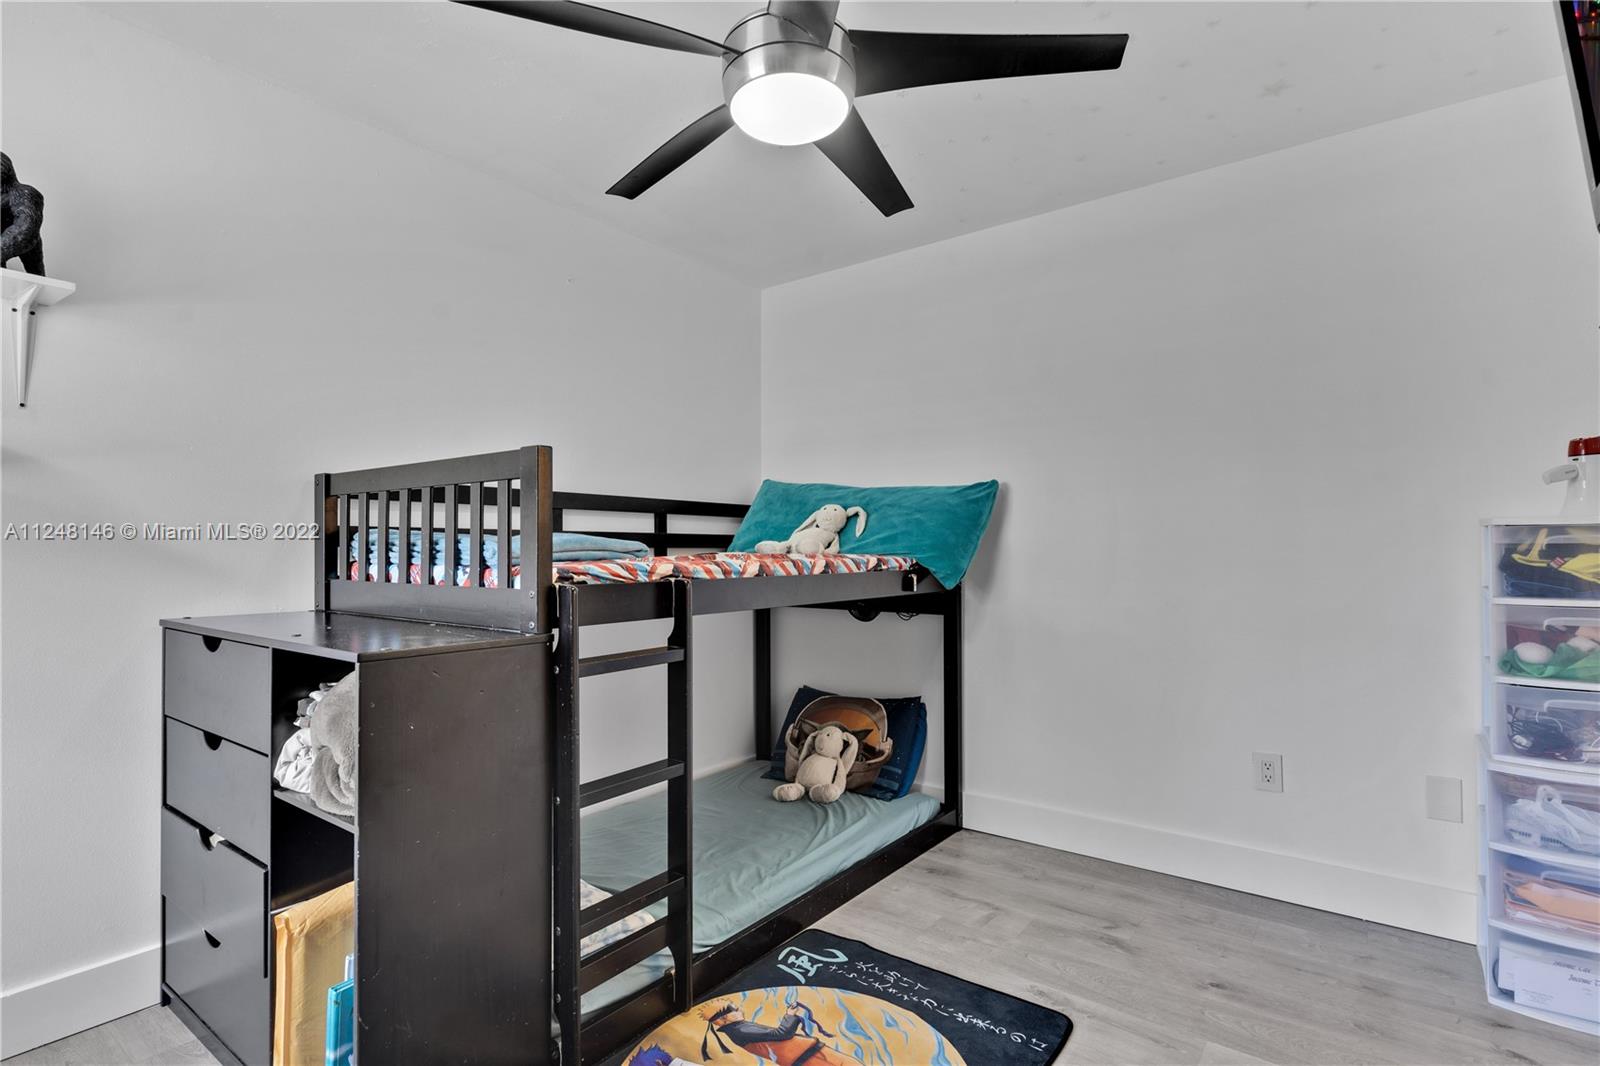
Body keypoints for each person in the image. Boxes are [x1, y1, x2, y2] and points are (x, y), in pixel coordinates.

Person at [697, 1000, 865, 1065]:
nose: (739, 1008)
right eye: (734, 1008)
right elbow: (781, 1034)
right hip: (810, 1059)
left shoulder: (739, 1029)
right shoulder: (741, 1030)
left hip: (811, 1055)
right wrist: (789, 1015)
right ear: (724, 1018)